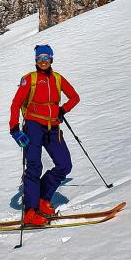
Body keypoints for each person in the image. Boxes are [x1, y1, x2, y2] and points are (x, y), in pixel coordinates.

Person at [9, 44, 80, 226]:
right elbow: (16, 104)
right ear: (35, 60)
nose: (43, 61)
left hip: (53, 128)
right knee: (34, 167)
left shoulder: (57, 79)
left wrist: (62, 110)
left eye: (46, 58)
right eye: (40, 58)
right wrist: (15, 130)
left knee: (64, 165)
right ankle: (31, 211)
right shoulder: (29, 80)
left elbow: (75, 97)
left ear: (51, 59)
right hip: (33, 126)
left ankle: (42, 198)